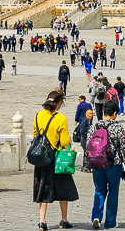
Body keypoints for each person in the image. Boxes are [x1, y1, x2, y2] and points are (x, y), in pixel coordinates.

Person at [33, 91, 78, 231]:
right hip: (56, 156)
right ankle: (64, 219)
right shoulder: (61, 118)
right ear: (58, 104)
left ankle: (42, 221)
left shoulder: (38, 115)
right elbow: (65, 141)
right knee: (63, 187)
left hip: (42, 157)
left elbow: (35, 134)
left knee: (42, 187)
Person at [87, 101, 125, 230]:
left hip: (97, 163)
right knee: (113, 191)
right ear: (114, 114)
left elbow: (88, 146)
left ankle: (96, 216)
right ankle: (110, 222)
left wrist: (87, 163)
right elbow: (124, 146)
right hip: (114, 164)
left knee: (99, 191)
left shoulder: (94, 127)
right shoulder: (117, 127)